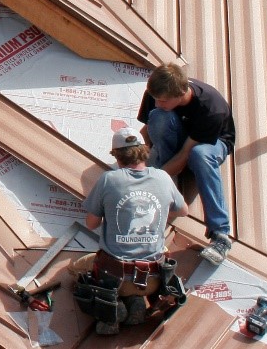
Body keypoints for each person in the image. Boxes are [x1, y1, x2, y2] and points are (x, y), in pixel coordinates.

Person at [71, 127, 188, 334]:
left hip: (114, 277)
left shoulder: (109, 180)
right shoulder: (162, 178)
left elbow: (91, 223)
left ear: (116, 155)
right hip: (154, 279)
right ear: (144, 151)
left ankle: (112, 311)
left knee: (75, 269)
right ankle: (135, 301)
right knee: (137, 279)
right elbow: (183, 210)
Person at [138, 63, 236, 264]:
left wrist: (151, 181)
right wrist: (137, 161)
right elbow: (146, 131)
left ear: (182, 93)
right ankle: (165, 179)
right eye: (155, 98)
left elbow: (185, 156)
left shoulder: (211, 108)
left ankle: (221, 234)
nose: (157, 103)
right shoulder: (157, 92)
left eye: (163, 100)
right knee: (158, 117)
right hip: (182, 134)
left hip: (211, 143)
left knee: (199, 156)